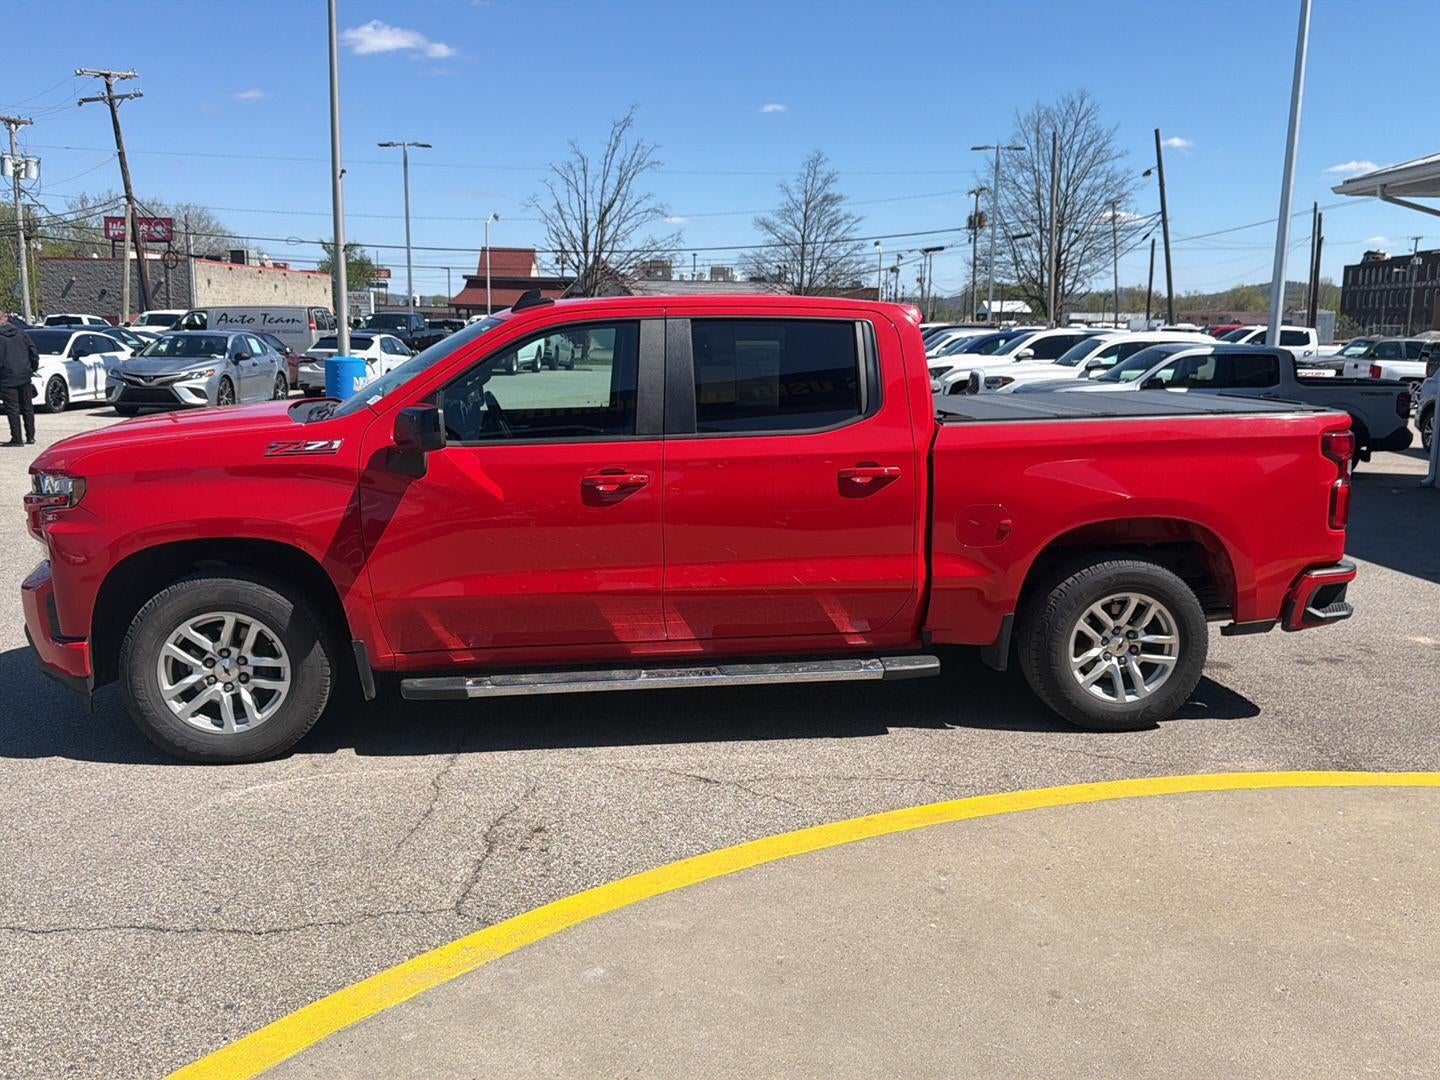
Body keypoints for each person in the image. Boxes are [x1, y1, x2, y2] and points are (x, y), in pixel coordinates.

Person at [0, 314, 39, 447]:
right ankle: (30, 436)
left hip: (6, 377)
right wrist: (32, 368)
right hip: (24, 375)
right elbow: (33, 352)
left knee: (12, 409)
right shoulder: (22, 334)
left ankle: (17, 438)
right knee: (27, 407)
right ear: (6, 319)